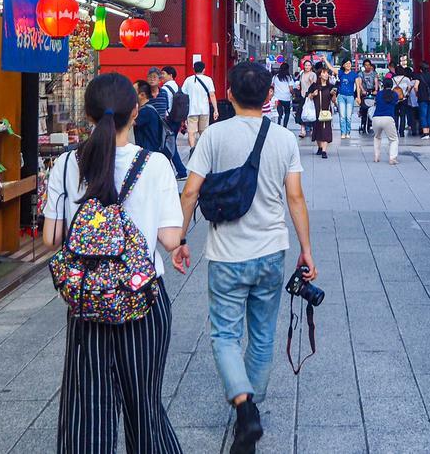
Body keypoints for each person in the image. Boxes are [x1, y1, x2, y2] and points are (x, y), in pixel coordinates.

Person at [175, 62, 315, 454]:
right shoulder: (284, 139)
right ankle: (250, 405)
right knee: (262, 335)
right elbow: (296, 198)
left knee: (224, 334)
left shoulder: (214, 136)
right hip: (271, 250)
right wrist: (306, 249)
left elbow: (190, 192)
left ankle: (243, 407)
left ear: (230, 94)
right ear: (270, 96)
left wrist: (180, 237)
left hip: (226, 254)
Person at [42, 73, 186, 454]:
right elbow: (171, 239)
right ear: (135, 113)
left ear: (88, 117)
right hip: (143, 302)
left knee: (87, 412)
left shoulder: (66, 165)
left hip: (88, 303)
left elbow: (50, 238)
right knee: (144, 407)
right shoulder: (155, 165)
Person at [149, 69, 187, 179]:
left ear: (170, 75)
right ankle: (179, 170)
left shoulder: (165, 89)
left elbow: (166, 107)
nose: (162, 76)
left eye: (163, 74)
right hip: (176, 119)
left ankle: (180, 171)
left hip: (167, 121)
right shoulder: (177, 86)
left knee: (169, 146)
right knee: (170, 145)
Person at [182, 61, 218, 149]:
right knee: (204, 132)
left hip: (191, 110)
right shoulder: (208, 80)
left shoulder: (188, 80)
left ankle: (192, 149)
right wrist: (215, 110)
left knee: (191, 132)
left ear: (194, 69)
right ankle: (202, 149)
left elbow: (183, 94)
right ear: (204, 69)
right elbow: (212, 95)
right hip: (204, 110)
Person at [371, 76, 401, 165]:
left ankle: (376, 157)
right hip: (388, 118)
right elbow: (396, 102)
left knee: (377, 137)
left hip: (376, 118)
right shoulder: (394, 94)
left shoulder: (379, 94)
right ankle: (392, 158)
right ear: (392, 85)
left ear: (383, 85)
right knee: (394, 139)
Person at [307, 65, 336, 158]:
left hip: (326, 111)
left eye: (327, 73)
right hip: (316, 111)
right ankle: (320, 147)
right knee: (317, 129)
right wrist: (313, 94)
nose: (326, 74)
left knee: (326, 130)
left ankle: (324, 151)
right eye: (324, 73)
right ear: (319, 75)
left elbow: (333, 101)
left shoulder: (330, 86)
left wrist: (334, 95)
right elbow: (308, 97)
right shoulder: (314, 86)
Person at [134, 80, 168, 157]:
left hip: (148, 151)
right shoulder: (148, 107)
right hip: (151, 149)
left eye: (133, 91)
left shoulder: (145, 111)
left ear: (142, 95)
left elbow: (128, 123)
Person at [335, 59, 359, 140]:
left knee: (348, 116)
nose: (348, 65)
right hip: (341, 96)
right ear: (343, 65)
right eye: (346, 63)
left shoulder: (354, 74)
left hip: (350, 97)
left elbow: (358, 87)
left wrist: (358, 97)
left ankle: (348, 132)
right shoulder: (341, 73)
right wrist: (325, 60)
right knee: (342, 116)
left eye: (349, 63)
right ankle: (343, 132)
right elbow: (331, 68)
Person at [416, 62, 430, 140]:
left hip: (422, 98)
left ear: (421, 69)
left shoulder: (419, 76)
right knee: (429, 114)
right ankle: (429, 131)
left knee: (423, 115)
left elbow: (416, 87)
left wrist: (417, 94)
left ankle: (425, 133)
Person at [356, 60, 379, 134]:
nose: (367, 66)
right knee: (364, 108)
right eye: (365, 65)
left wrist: (375, 90)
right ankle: (363, 123)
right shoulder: (361, 74)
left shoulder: (374, 73)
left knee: (372, 108)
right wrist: (362, 90)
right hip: (364, 92)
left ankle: (371, 123)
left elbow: (376, 82)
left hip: (372, 92)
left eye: (368, 65)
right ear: (363, 66)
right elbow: (359, 83)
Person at [296, 61, 316, 140]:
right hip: (302, 95)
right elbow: (301, 84)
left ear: (311, 66)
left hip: (310, 96)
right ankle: (302, 130)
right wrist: (299, 87)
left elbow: (314, 85)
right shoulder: (302, 74)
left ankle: (313, 130)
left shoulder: (313, 74)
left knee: (311, 113)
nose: (307, 67)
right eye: (306, 65)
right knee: (301, 113)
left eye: (309, 65)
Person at [271, 63, 294, 129]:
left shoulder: (275, 77)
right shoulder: (289, 77)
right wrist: (293, 94)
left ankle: (278, 124)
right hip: (286, 98)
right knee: (287, 112)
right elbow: (291, 89)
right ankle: (285, 126)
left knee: (279, 112)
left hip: (277, 97)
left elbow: (272, 86)